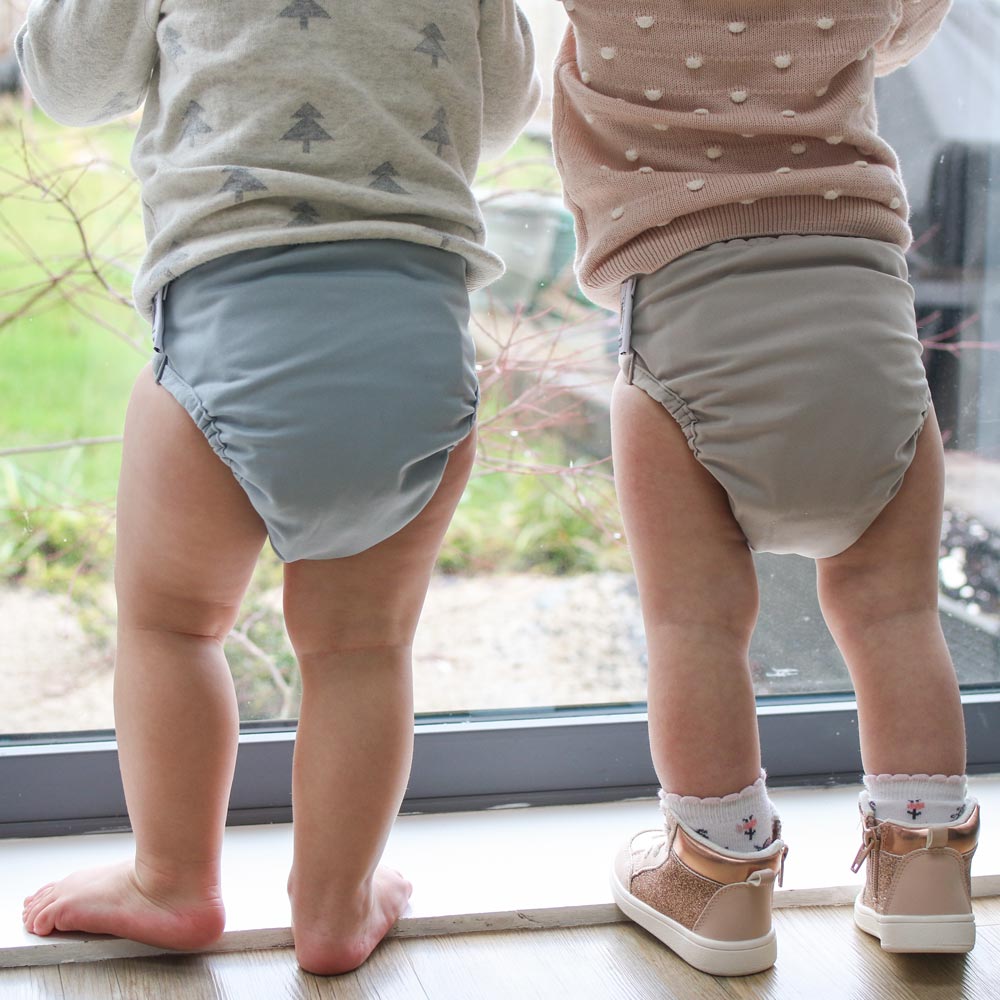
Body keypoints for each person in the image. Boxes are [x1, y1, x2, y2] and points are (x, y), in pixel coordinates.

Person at [16, 0, 539, 975]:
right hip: (411, 335)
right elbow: (504, 106)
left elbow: (66, 81)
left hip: (231, 312)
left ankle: (173, 881)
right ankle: (334, 908)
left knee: (173, 626)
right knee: (361, 647)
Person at [551, 0, 978, 976]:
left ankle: (718, 876)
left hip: (685, 309)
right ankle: (924, 871)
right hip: (859, 306)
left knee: (695, 626)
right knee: (897, 614)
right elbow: (910, 28)